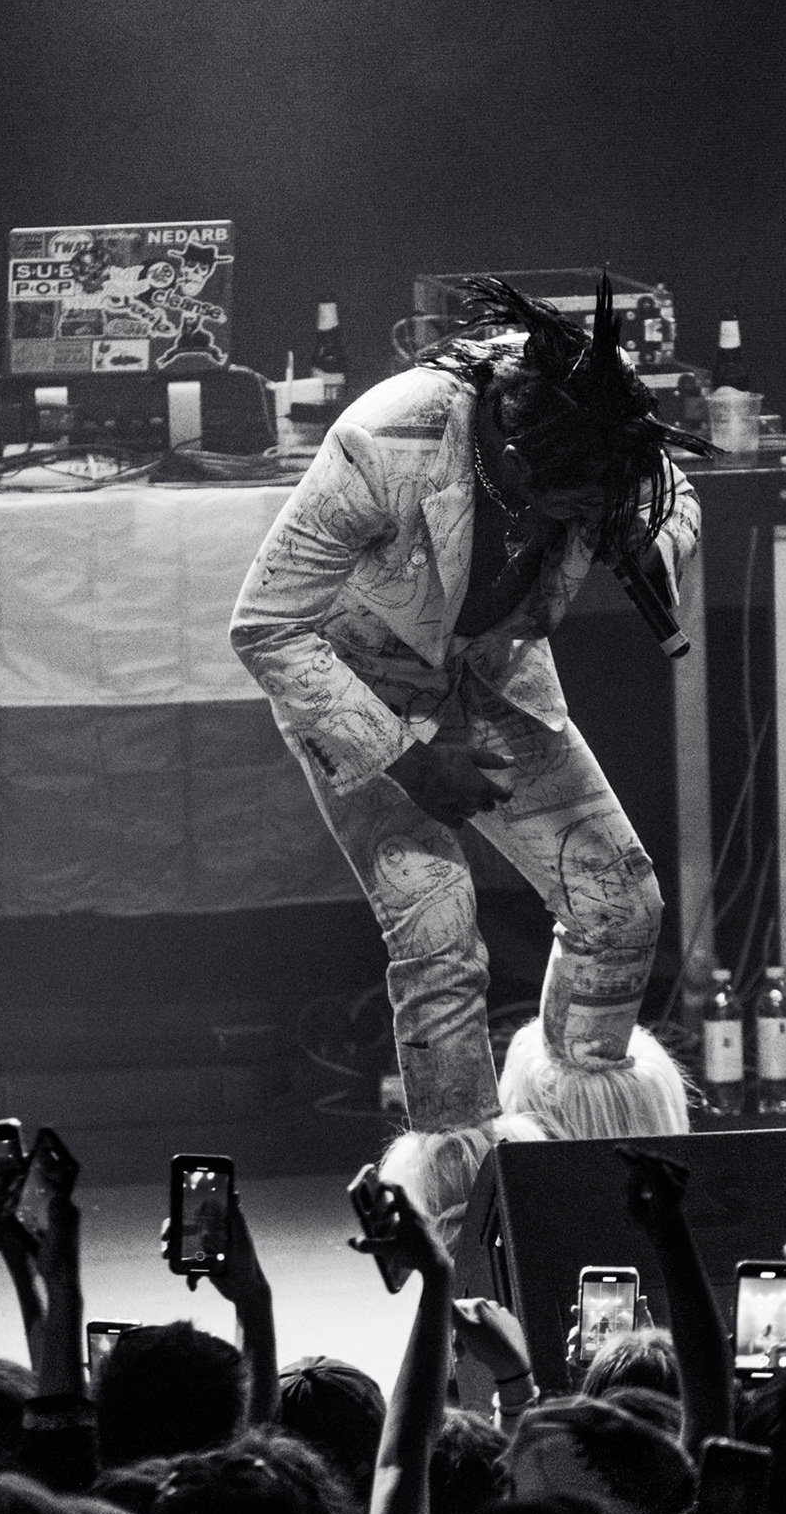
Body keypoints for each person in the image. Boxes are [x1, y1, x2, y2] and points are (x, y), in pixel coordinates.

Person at [231, 272, 707, 1158]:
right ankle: (463, 1187)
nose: (584, 521)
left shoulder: (593, 417)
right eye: (572, 506)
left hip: (492, 671)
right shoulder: (383, 443)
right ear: (518, 465)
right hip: (364, 689)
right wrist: (410, 764)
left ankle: (590, 1147)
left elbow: (671, 493)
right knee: (439, 929)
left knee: (620, 902)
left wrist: (649, 540)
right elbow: (266, 627)